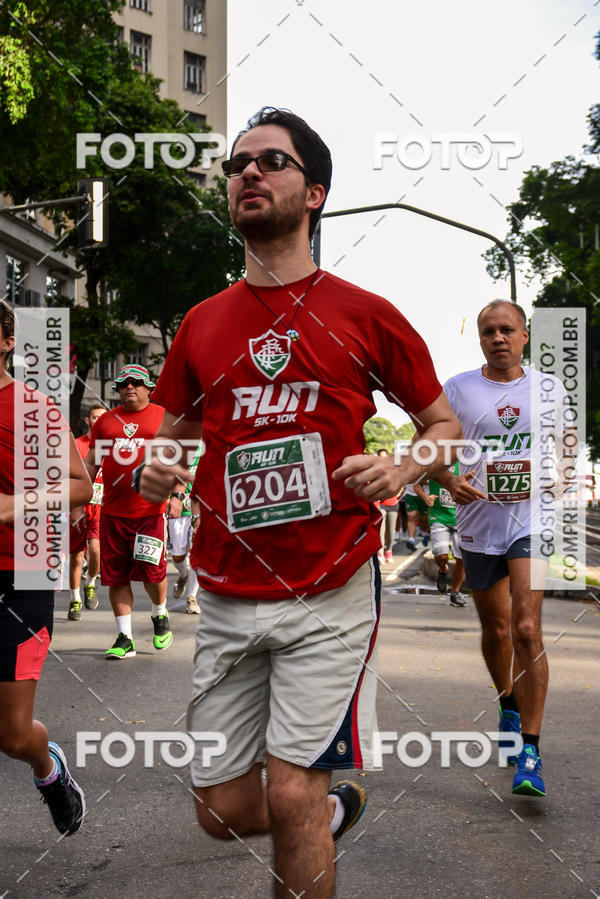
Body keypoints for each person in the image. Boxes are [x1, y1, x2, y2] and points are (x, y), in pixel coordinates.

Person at [135, 107, 461, 898]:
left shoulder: (364, 312)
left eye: (271, 161)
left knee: (289, 791)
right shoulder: (202, 324)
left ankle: (310, 803)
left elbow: (442, 425)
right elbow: (178, 429)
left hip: (331, 585)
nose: (248, 172)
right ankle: (329, 805)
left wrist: (405, 467)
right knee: (217, 809)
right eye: (238, 164)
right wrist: (159, 465)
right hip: (225, 590)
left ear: (313, 192)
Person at [441, 299, 568, 797]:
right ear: (480, 339)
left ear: (525, 336)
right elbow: (428, 447)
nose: (499, 338)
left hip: (531, 521)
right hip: (477, 522)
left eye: (507, 330)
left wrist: (551, 479)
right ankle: (507, 703)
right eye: (489, 331)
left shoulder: (550, 389)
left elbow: (565, 451)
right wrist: (449, 480)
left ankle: (531, 753)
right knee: (495, 629)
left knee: (526, 627)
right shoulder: (457, 388)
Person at [0, 300, 90, 834]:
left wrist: (15, 504)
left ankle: (49, 770)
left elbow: (81, 486)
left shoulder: (32, 410)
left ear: (7, 341)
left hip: (21, 575)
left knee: (11, 734)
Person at [84, 364, 172, 659]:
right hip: (113, 512)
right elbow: (91, 464)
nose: (129, 387)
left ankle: (159, 614)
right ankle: (125, 638)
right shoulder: (106, 422)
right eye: (123, 384)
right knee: (117, 576)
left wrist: (179, 495)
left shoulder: (163, 418)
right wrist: (78, 495)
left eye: (136, 382)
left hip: (150, 511)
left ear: (149, 387)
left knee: (152, 573)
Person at [68, 403, 106, 620]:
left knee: (95, 551)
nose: (98, 420)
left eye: (102, 417)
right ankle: (75, 601)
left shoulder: (111, 447)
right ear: (87, 420)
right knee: (76, 556)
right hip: (79, 509)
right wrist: (74, 506)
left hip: (100, 508)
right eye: (94, 417)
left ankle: (90, 582)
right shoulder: (78, 445)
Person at [414, 466, 466, 606]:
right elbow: (417, 483)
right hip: (439, 518)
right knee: (441, 556)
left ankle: (455, 591)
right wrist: (425, 497)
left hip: (462, 519)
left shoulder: (467, 464)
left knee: (461, 558)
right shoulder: (438, 464)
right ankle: (443, 569)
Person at [167, 444, 201, 614]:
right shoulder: (178, 443)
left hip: (200, 504)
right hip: (179, 507)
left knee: (197, 552)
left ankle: (192, 598)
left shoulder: (209, 442)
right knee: (178, 556)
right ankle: (183, 575)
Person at [375, 449, 400, 564]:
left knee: (391, 531)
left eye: (385, 456)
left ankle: (388, 551)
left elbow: (402, 481)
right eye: (381, 456)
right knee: (381, 530)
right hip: (380, 506)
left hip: (393, 504)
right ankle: (380, 553)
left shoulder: (394, 469)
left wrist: (398, 493)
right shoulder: (375, 470)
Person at [403, 483, 430, 551]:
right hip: (410, 493)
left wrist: (423, 480)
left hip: (424, 494)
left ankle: (425, 534)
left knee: (424, 518)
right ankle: (411, 539)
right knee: (411, 516)